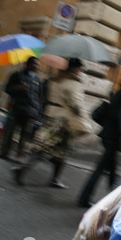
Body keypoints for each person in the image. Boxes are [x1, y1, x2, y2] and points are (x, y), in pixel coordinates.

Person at [11, 58, 89, 189]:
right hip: (63, 120)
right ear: (75, 69)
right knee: (48, 149)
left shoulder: (55, 81)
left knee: (59, 151)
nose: (81, 71)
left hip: (50, 115)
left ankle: (54, 179)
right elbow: (76, 104)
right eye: (80, 68)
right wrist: (83, 118)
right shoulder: (73, 83)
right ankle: (23, 169)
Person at [77, 70, 121, 208]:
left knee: (111, 170)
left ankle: (110, 198)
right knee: (101, 169)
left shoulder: (120, 92)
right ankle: (87, 198)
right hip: (113, 137)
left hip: (109, 136)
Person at [0, 56, 43, 163]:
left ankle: (20, 156)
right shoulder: (17, 76)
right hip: (17, 109)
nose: (36, 66)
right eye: (34, 64)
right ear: (28, 65)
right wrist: (19, 87)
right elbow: (7, 89)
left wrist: (38, 114)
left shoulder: (38, 81)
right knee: (9, 132)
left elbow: (39, 97)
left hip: (31, 112)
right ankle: (4, 152)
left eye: (38, 65)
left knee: (25, 135)